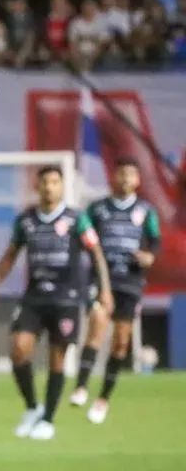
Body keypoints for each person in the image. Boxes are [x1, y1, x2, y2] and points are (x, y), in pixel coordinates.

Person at [0, 166, 113, 441]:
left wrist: (105, 290)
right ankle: (32, 407)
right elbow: (10, 255)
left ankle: (48, 420)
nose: (50, 187)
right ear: (37, 186)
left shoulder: (77, 219)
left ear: (62, 187)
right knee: (19, 349)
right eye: (45, 182)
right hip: (34, 297)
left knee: (57, 359)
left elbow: (96, 253)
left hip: (66, 299)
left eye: (55, 182)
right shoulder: (26, 220)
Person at [69, 158, 161, 423]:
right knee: (97, 327)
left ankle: (103, 399)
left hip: (130, 281)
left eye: (130, 175)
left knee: (121, 341)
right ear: (113, 177)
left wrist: (149, 256)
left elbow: (154, 241)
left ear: (137, 180)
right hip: (102, 279)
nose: (125, 179)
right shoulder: (97, 209)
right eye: (121, 174)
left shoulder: (145, 210)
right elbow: (84, 238)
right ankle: (81, 386)